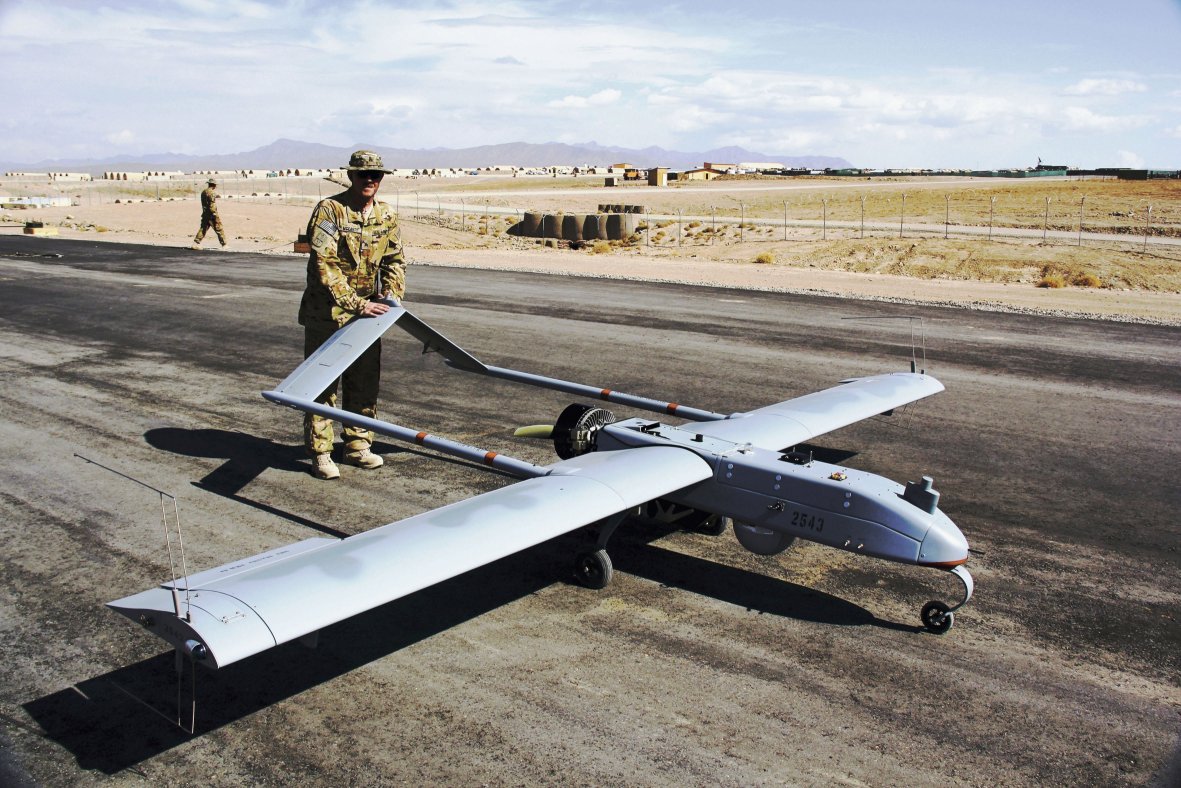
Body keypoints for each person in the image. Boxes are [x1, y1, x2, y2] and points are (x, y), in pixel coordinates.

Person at [298, 150, 407, 480]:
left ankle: (358, 445)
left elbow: (395, 261)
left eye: (377, 175)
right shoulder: (330, 211)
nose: (371, 180)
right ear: (351, 176)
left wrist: (391, 297)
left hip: (368, 315)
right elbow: (323, 264)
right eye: (364, 175)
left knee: (364, 382)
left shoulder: (387, 215)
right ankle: (322, 452)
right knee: (323, 385)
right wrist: (357, 303)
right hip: (328, 314)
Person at [191, 179, 227, 249]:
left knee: (203, 228)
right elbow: (212, 204)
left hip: (205, 213)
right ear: (214, 185)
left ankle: (195, 243)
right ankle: (224, 245)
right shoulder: (212, 193)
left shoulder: (203, 192)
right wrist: (214, 214)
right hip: (211, 213)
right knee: (219, 228)